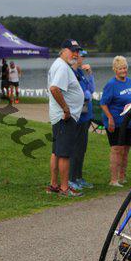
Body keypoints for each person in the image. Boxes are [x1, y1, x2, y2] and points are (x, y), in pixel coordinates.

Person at [47, 39, 85, 197]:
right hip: (64, 118)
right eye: (72, 50)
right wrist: (66, 108)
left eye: (77, 51)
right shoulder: (62, 67)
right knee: (64, 154)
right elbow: (54, 88)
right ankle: (64, 188)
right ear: (63, 50)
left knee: (57, 152)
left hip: (60, 117)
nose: (76, 54)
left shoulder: (60, 64)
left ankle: (54, 185)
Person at [100, 56, 131, 187]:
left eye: (125, 67)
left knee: (126, 150)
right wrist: (110, 118)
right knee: (117, 149)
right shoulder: (111, 84)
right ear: (115, 69)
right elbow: (103, 103)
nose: (123, 70)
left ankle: (122, 177)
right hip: (116, 123)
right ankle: (113, 179)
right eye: (120, 68)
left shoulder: (130, 82)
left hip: (129, 123)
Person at [69, 50, 95, 190]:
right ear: (75, 57)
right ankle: (71, 178)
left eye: (84, 57)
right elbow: (78, 93)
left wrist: (90, 74)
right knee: (75, 149)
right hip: (77, 117)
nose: (83, 59)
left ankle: (78, 177)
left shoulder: (81, 73)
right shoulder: (72, 73)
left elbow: (92, 89)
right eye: (81, 56)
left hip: (86, 116)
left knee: (82, 149)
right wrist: (86, 94)